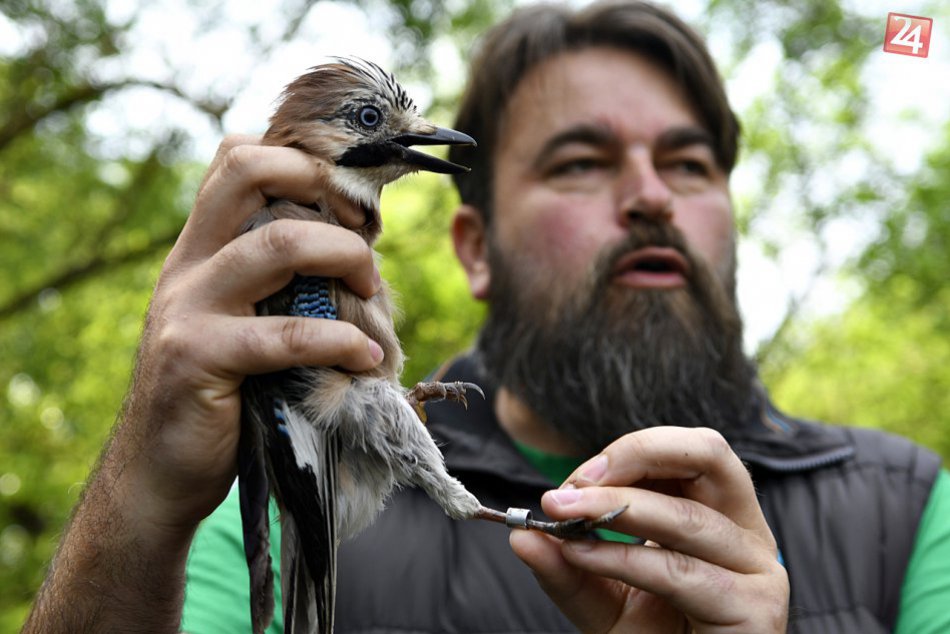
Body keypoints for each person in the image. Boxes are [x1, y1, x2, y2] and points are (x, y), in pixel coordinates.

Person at [23, 1, 950, 633]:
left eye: (690, 164)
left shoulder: (908, 509)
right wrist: (142, 504)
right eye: (579, 163)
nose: (649, 199)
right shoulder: (222, 524)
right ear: (474, 246)